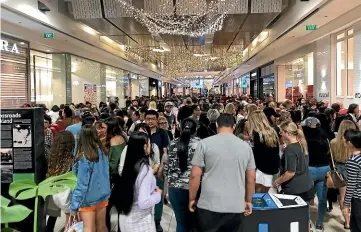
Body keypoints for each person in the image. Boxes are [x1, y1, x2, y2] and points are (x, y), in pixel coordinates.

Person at [189, 114, 256, 232]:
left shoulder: (204, 144)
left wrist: (192, 199)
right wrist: (248, 200)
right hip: (235, 205)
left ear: (216, 125)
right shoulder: (246, 148)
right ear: (234, 126)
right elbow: (251, 178)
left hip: (208, 204)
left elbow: (195, 175)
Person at [115, 132, 162, 232]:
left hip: (125, 219)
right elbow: (144, 202)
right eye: (149, 143)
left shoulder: (128, 165)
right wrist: (157, 195)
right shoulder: (145, 169)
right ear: (145, 147)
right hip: (140, 221)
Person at [70, 125, 110, 232]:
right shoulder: (103, 152)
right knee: (102, 226)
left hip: (87, 199)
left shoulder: (84, 157)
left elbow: (82, 184)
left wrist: (74, 206)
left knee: (88, 228)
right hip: (103, 195)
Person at [164, 118, 200, 232]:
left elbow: (167, 166)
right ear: (196, 129)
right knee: (194, 223)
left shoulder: (173, 143)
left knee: (180, 222)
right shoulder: (201, 144)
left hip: (174, 188)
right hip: (194, 188)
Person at [301, 117, 330, 230]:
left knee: (306, 197)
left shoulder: (303, 137)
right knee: (322, 198)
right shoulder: (324, 135)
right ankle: (319, 222)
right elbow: (328, 152)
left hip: (310, 169)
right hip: (324, 168)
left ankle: (307, 221)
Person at [275, 121, 314, 201]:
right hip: (307, 186)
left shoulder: (290, 149)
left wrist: (277, 181)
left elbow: (290, 172)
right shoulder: (301, 143)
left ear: (288, 133)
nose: (280, 134)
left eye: (281, 132)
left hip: (295, 190)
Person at [145, 110, 169, 232]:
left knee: (157, 196)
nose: (150, 121)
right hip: (142, 172)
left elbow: (166, 153)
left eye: (152, 118)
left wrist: (160, 169)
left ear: (156, 119)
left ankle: (157, 221)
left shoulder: (163, 134)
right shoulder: (142, 133)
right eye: (148, 118)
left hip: (158, 171)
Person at [46, 131, 75, 232]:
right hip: (66, 194)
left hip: (53, 191)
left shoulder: (51, 156)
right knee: (70, 219)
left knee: (51, 216)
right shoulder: (72, 159)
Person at [330, 120, 357, 229]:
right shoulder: (356, 142)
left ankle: (347, 222)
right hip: (354, 167)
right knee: (355, 195)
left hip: (339, 169)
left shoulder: (333, 142)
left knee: (343, 197)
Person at [248, 110, 280, 193]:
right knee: (265, 193)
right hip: (271, 166)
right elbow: (276, 150)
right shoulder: (273, 131)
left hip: (260, 167)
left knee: (258, 195)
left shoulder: (258, 135)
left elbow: (257, 154)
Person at [105, 118, 127, 232]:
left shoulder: (114, 140)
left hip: (114, 178)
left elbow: (113, 162)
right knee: (119, 208)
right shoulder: (123, 137)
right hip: (122, 177)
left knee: (107, 207)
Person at [342, 129, 361, 232]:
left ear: (349, 143)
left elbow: (351, 185)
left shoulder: (353, 161)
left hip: (358, 199)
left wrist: (346, 204)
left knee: (357, 226)